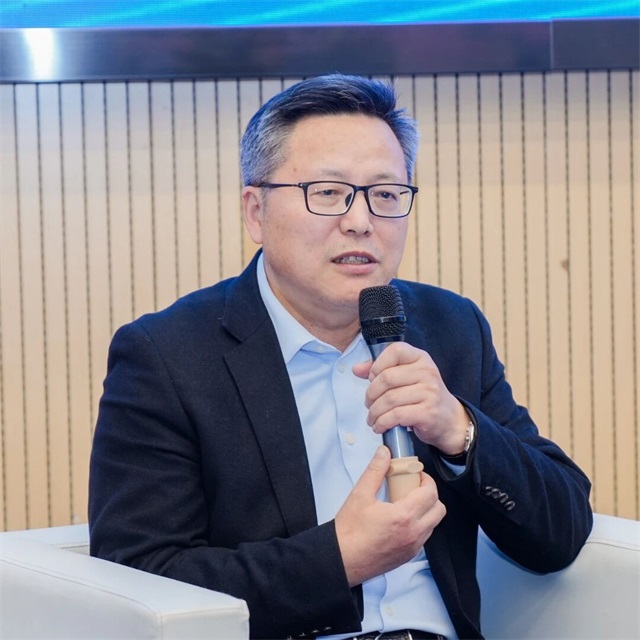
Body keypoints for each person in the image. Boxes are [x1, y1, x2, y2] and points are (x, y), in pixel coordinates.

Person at [88, 74, 593, 640]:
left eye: (386, 194)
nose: (360, 221)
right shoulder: (167, 356)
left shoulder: (450, 328)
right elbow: (139, 578)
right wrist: (339, 559)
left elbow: (562, 531)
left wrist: (460, 430)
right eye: (327, 193)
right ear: (255, 212)